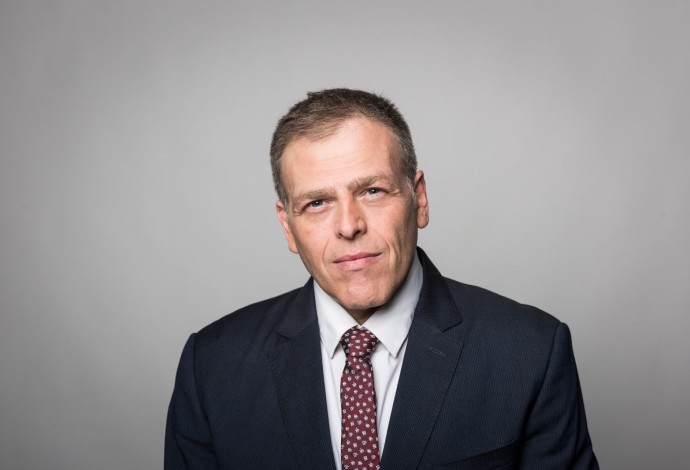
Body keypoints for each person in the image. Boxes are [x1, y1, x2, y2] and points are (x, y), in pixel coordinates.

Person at [165, 88, 598, 469]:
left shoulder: (530, 352)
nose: (348, 226)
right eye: (317, 203)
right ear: (288, 227)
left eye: (372, 191)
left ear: (419, 199)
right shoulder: (211, 367)